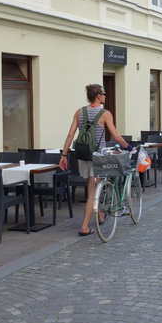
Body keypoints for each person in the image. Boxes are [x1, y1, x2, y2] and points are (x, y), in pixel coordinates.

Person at [59, 83, 132, 237]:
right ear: (98, 96)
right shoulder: (105, 113)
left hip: (82, 155)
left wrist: (63, 155)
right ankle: (84, 226)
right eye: (104, 93)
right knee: (92, 191)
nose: (105, 96)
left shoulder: (79, 112)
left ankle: (99, 216)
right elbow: (116, 136)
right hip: (97, 156)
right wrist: (129, 148)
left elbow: (70, 135)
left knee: (91, 186)